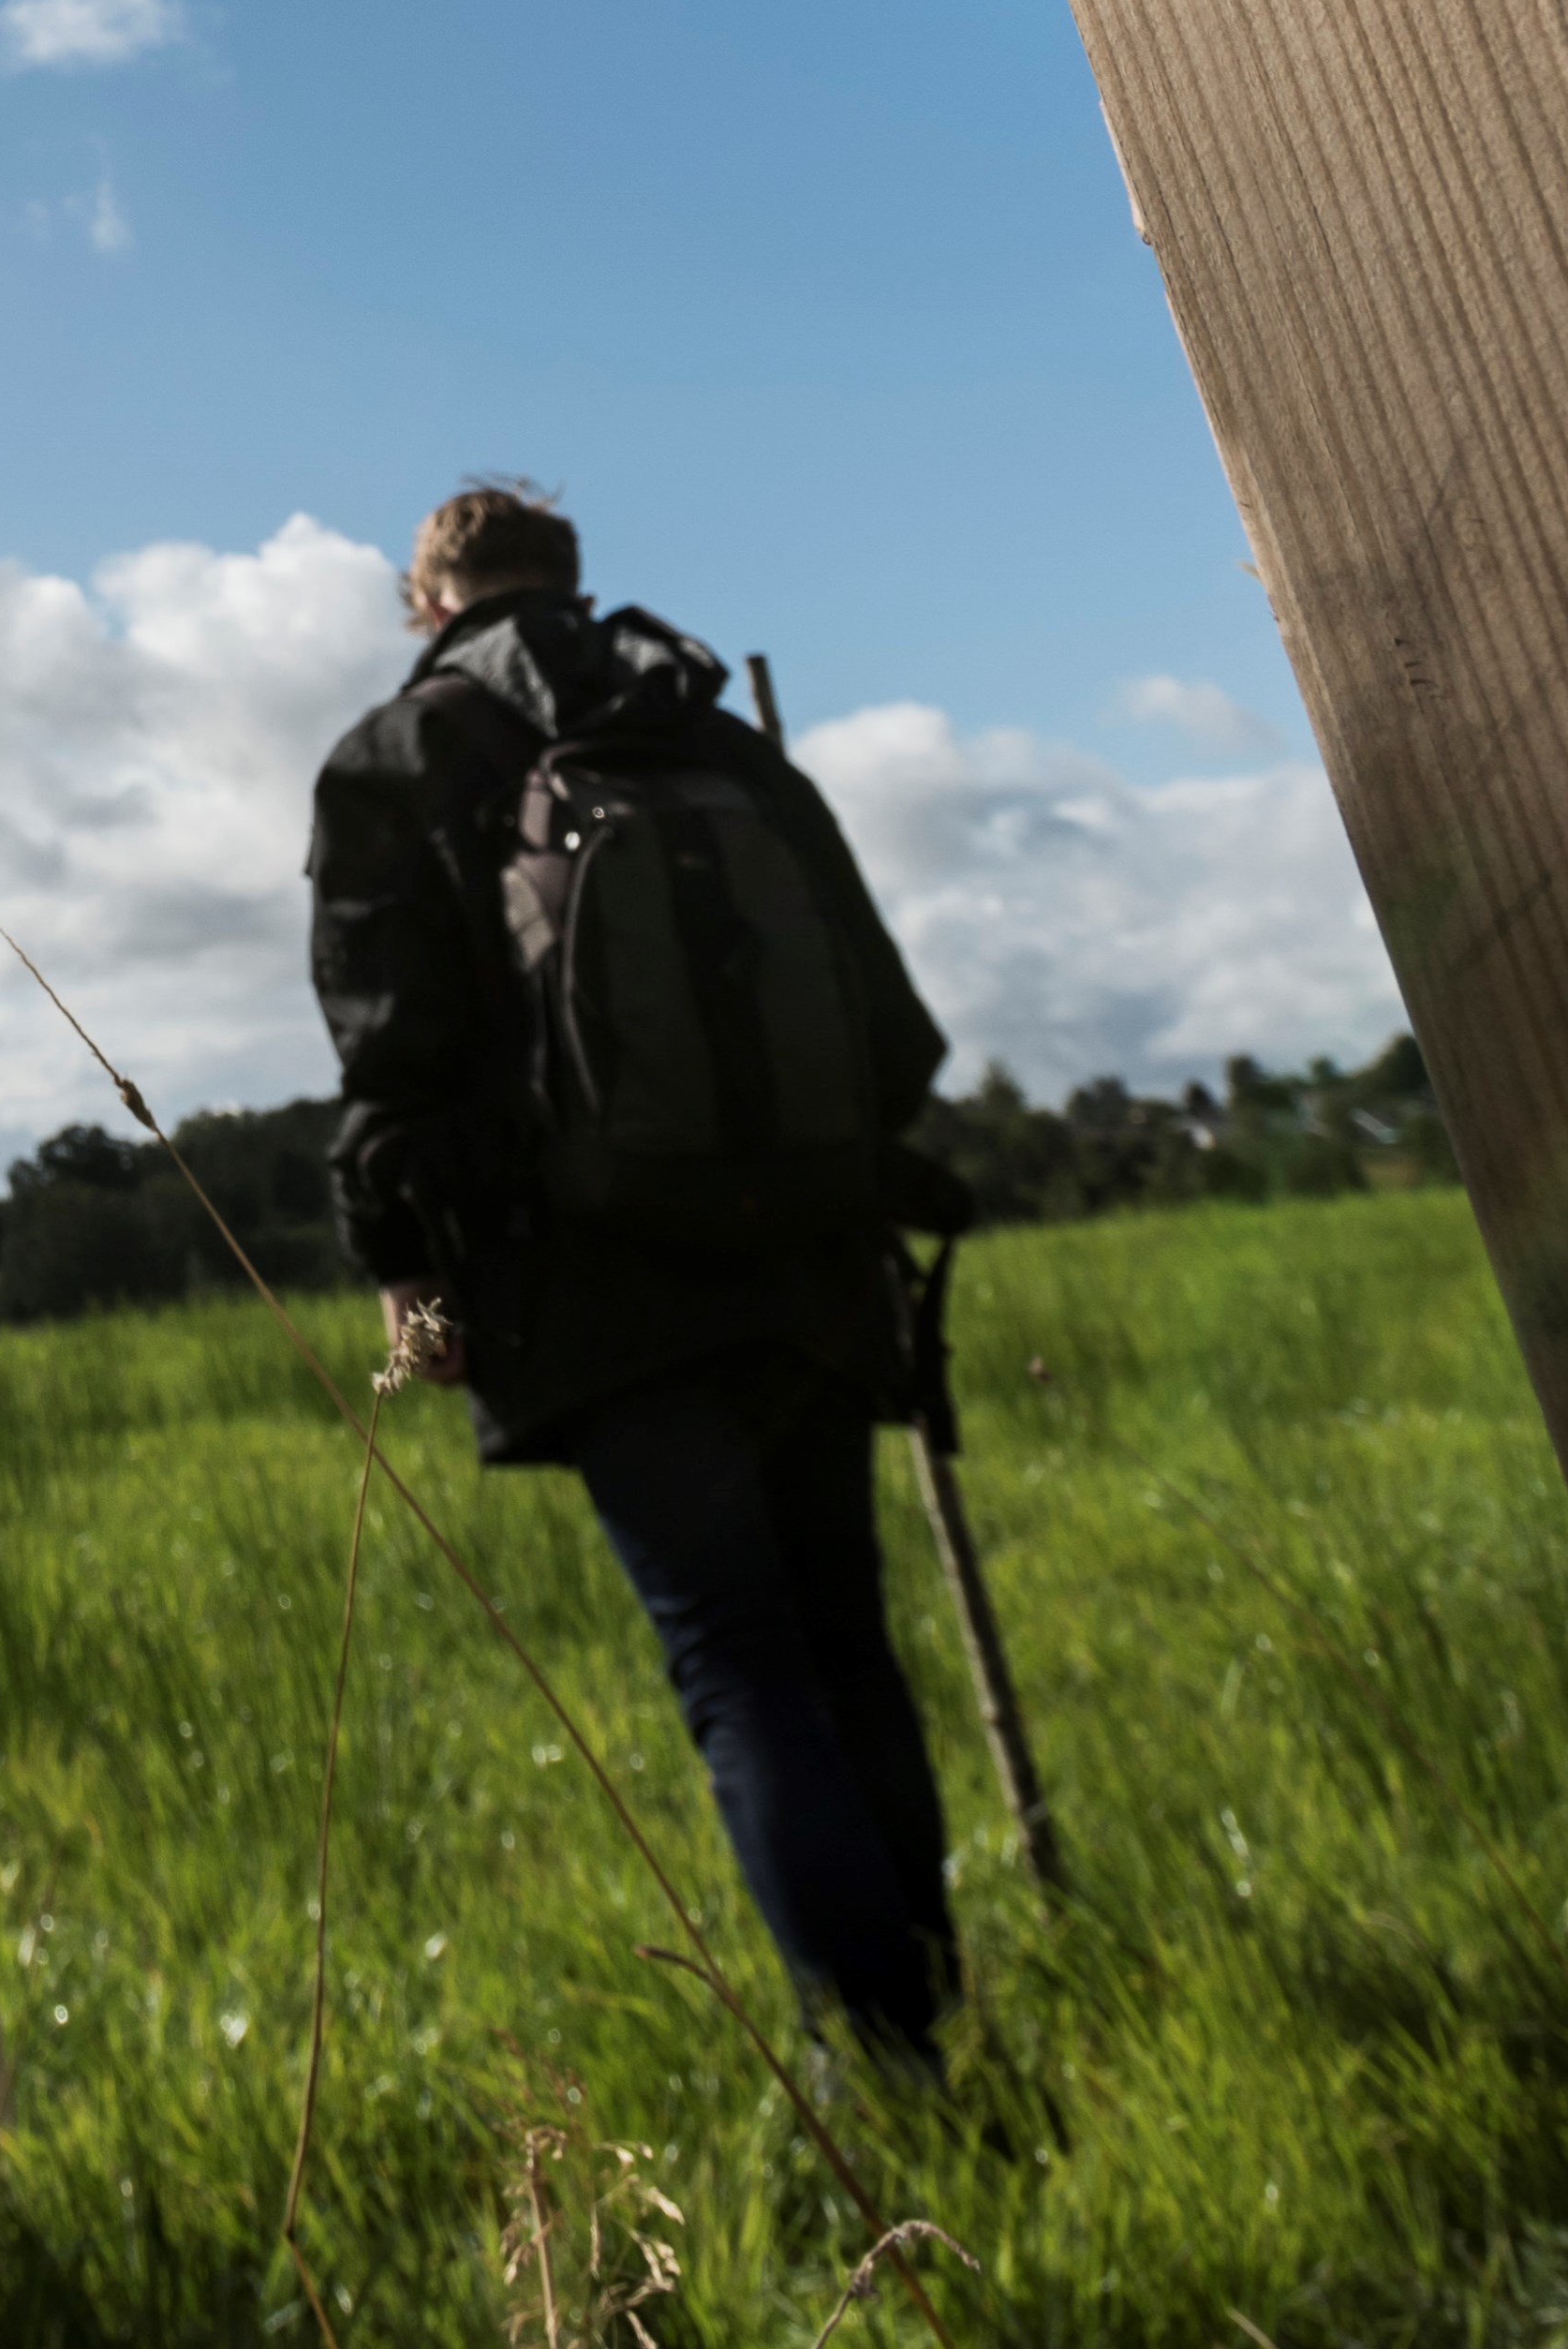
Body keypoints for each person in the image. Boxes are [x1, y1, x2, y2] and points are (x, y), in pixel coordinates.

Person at [307, 481, 969, 2067]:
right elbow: (891, 1030)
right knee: (847, 1639)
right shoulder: (720, 736)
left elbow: (391, 1050)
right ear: (573, 580)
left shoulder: (398, 754)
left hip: (593, 1286)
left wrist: (411, 1272)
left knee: (738, 1660)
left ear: (425, 602)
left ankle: (890, 2072)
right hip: (811, 1261)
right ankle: (935, 2019)